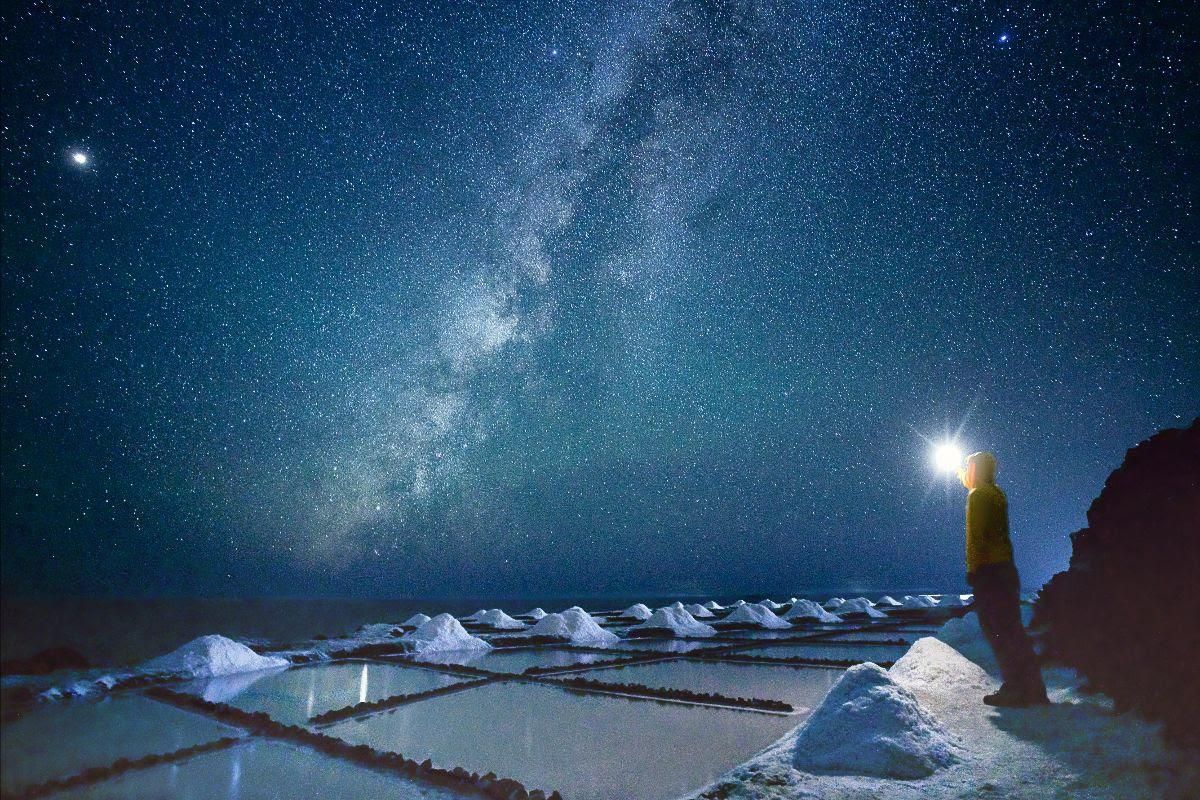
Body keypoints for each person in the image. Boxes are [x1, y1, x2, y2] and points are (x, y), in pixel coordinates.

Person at [959, 451, 1049, 707]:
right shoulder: (996, 494)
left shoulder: (978, 496)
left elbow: (977, 538)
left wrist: (973, 570)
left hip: (989, 573)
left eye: (969, 466)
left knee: (998, 631)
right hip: (1006, 571)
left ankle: (1016, 690)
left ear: (975, 469)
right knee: (1013, 631)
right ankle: (1033, 690)